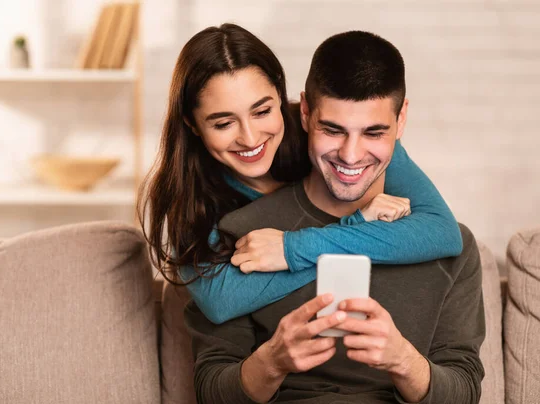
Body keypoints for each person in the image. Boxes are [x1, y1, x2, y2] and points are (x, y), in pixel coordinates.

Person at [185, 30, 485, 404]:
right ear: (306, 113)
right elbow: (213, 388)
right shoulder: (241, 237)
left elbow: (465, 391)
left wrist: (404, 361)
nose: (351, 154)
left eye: (374, 131)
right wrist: (273, 362)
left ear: (401, 119)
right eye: (333, 130)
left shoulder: (445, 244)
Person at [139, 23, 463, 324]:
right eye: (224, 123)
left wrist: (295, 248)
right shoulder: (184, 195)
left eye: (263, 111)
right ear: (192, 123)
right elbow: (220, 300)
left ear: (283, 98)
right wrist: (356, 226)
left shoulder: (332, 137)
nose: (250, 138)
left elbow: (441, 231)